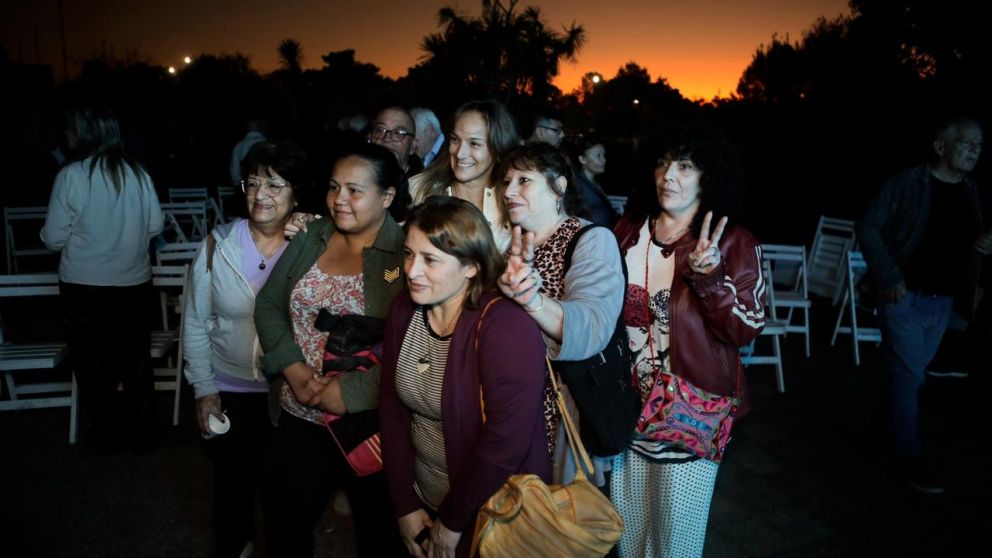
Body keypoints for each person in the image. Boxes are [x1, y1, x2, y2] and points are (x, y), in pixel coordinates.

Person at [611, 124, 765, 557]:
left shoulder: (732, 241)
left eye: (686, 166)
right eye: (663, 162)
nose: (669, 176)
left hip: (691, 415)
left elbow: (747, 328)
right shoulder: (627, 231)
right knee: (629, 537)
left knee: (674, 545)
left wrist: (710, 278)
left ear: (708, 176)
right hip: (626, 411)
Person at [253, 142, 407, 557]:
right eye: (334, 187)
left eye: (355, 190)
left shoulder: (406, 254)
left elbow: (414, 347)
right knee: (284, 524)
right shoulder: (314, 234)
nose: (340, 200)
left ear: (387, 197)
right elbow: (268, 304)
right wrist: (292, 367)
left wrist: (353, 392)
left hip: (369, 425)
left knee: (380, 537)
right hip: (300, 410)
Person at [380, 196, 551, 558]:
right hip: (425, 501)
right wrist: (405, 503)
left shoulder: (505, 327)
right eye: (409, 254)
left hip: (490, 514)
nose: (411, 271)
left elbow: (506, 441)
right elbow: (391, 409)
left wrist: (453, 520)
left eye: (430, 260)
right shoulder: (404, 309)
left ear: (471, 267)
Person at [183, 140, 307, 558]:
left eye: (274, 185)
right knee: (231, 493)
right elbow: (195, 322)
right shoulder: (218, 246)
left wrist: (316, 234)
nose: (261, 195)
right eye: (253, 183)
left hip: (288, 392)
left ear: (295, 192)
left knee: (284, 495)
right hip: (229, 387)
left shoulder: (311, 246)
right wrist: (203, 388)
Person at [856, 116, 988, 494]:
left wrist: (983, 250)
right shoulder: (908, 183)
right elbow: (867, 225)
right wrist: (888, 275)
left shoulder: (971, 191)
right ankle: (909, 457)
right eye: (967, 142)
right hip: (903, 298)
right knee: (911, 377)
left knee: (905, 374)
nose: (975, 150)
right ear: (941, 146)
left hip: (942, 303)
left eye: (979, 144)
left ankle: (877, 438)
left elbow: (967, 241)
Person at [495, 142, 625, 484]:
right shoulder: (507, 245)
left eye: (524, 180)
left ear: (560, 186)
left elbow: (592, 327)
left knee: (554, 524)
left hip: (559, 413)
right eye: (506, 181)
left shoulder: (591, 240)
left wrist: (533, 300)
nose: (508, 191)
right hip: (506, 408)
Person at [40, 106, 165, 453]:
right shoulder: (137, 173)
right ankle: (143, 431)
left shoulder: (72, 175)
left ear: (86, 134)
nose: (66, 136)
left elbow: (52, 238)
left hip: (84, 285)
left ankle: (106, 434)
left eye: (71, 129)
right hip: (134, 282)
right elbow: (156, 225)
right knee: (135, 359)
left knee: (93, 362)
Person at [408, 99, 520, 252]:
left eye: (474, 144)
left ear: (498, 149)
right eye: (455, 140)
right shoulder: (417, 188)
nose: (460, 153)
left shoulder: (513, 200)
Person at [568, 135, 617, 227]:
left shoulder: (593, 182)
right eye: (598, 156)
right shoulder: (579, 186)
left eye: (603, 155)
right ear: (582, 159)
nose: (604, 160)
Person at [230, 119, 267, 185]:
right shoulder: (268, 143)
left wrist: (239, 184)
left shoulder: (239, 146)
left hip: (247, 184)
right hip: (266, 183)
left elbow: (234, 173)